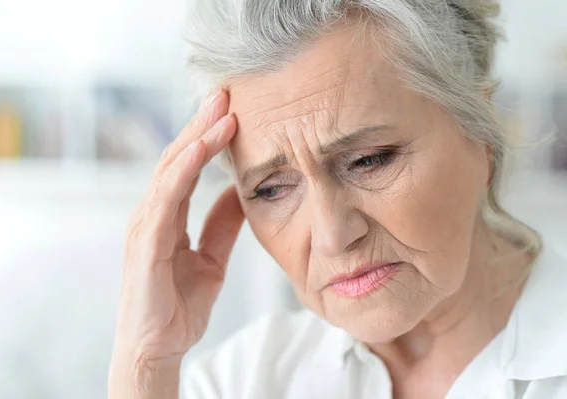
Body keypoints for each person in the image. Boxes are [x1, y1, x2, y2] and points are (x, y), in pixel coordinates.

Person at [108, 1, 567, 398]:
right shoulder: (241, 381)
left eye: (369, 160)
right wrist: (145, 367)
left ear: (482, 134)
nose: (332, 236)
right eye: (272, 189)